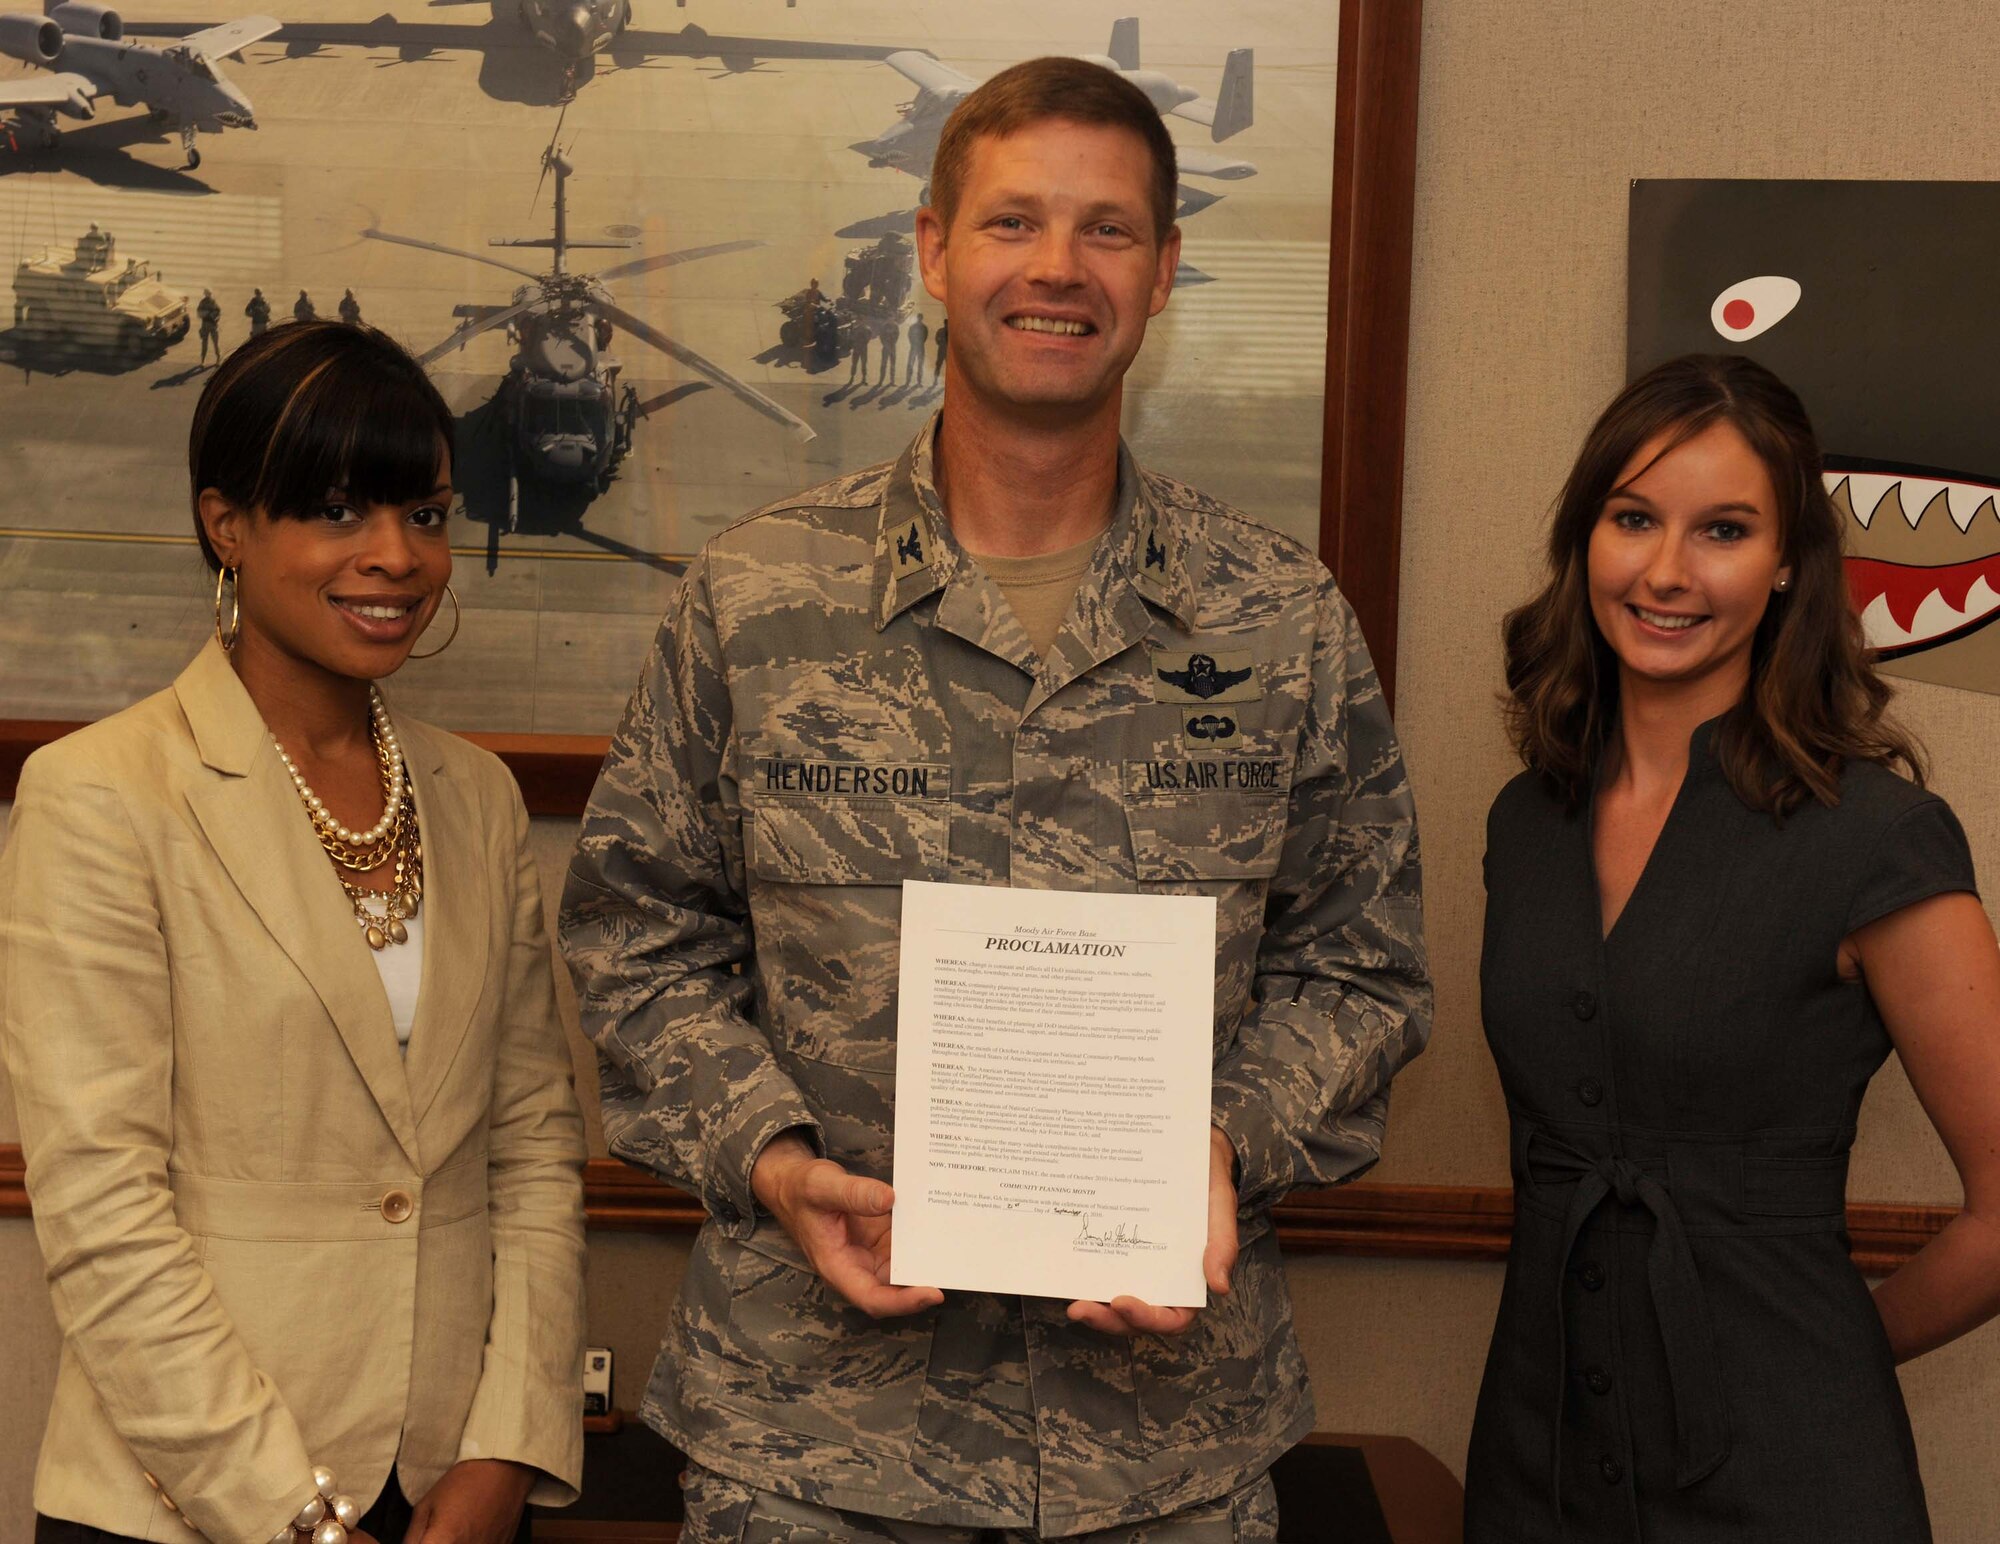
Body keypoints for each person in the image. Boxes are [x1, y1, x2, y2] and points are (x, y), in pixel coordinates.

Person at [562, 57, 1431, 1544]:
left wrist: (1218, 1152)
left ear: (1164, 274)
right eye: (1014, 220)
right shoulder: (760, 598)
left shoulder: (1279, 618)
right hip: (813, 1451)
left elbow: (1359, 965)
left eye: (1107, 231)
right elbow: (636, 941)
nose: (1057, 268)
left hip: (1163, 1459)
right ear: (932, 251)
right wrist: (777, 1165)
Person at [1, 320, 589, 1544]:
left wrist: (505, 1448)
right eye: (336, 511)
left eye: (424, 514)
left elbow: (532, 1147)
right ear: (227, 524)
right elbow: (105, 1209)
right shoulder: (103, 793)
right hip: (188, 1507)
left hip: (451, 1495)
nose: (395, 557)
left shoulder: (474, 797)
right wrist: (297, 1522)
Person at [1464, 354, 2000, 1541]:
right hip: (1538, 1459)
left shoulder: (1875, 838)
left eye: (1720, 528)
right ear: (1583, 540)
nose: (1664, 570)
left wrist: (1832, 1356)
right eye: (1631, 518)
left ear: (1787, 566)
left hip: (1787, 1469)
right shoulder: (1526, 820)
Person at [196, 288, 222, 364]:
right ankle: (203, 361)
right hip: (206, 325)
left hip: (211, 325)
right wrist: (207, 314)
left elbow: (218, 312)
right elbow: (199, 313)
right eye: (207, 294)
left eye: (209, 294)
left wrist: (214, 316)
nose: (208, 296)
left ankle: (217, 359)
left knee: (215, 343)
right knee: (205, 343)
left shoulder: (213, 302)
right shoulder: (203, 302)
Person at [905, 310, 929, 387]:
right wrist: (916, 343)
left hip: (918, 347)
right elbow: (910, 336)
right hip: (918, 347)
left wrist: (914, 343)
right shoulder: (921, 327)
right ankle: (909, 381)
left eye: (920, 318)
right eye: (919, 318)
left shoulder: (918, 327)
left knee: (918, 364)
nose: (919, 319)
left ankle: (916, 382)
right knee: (914, 364)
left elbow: (925, 337)